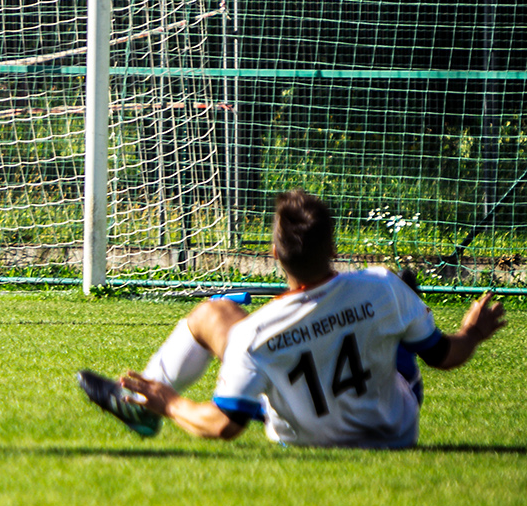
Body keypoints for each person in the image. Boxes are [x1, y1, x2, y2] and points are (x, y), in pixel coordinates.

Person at [78, 189, 506, 448]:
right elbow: (444, 355)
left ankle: (139, 406)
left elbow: (223, 425)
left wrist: (169, 402)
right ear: (334, 248)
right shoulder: (382, 285)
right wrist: (474, 330)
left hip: (301, 432)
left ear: (274, 255)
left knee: (215, 312)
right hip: (392, 432)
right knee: (392, 321)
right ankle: (396, 324)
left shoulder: (254, 333)